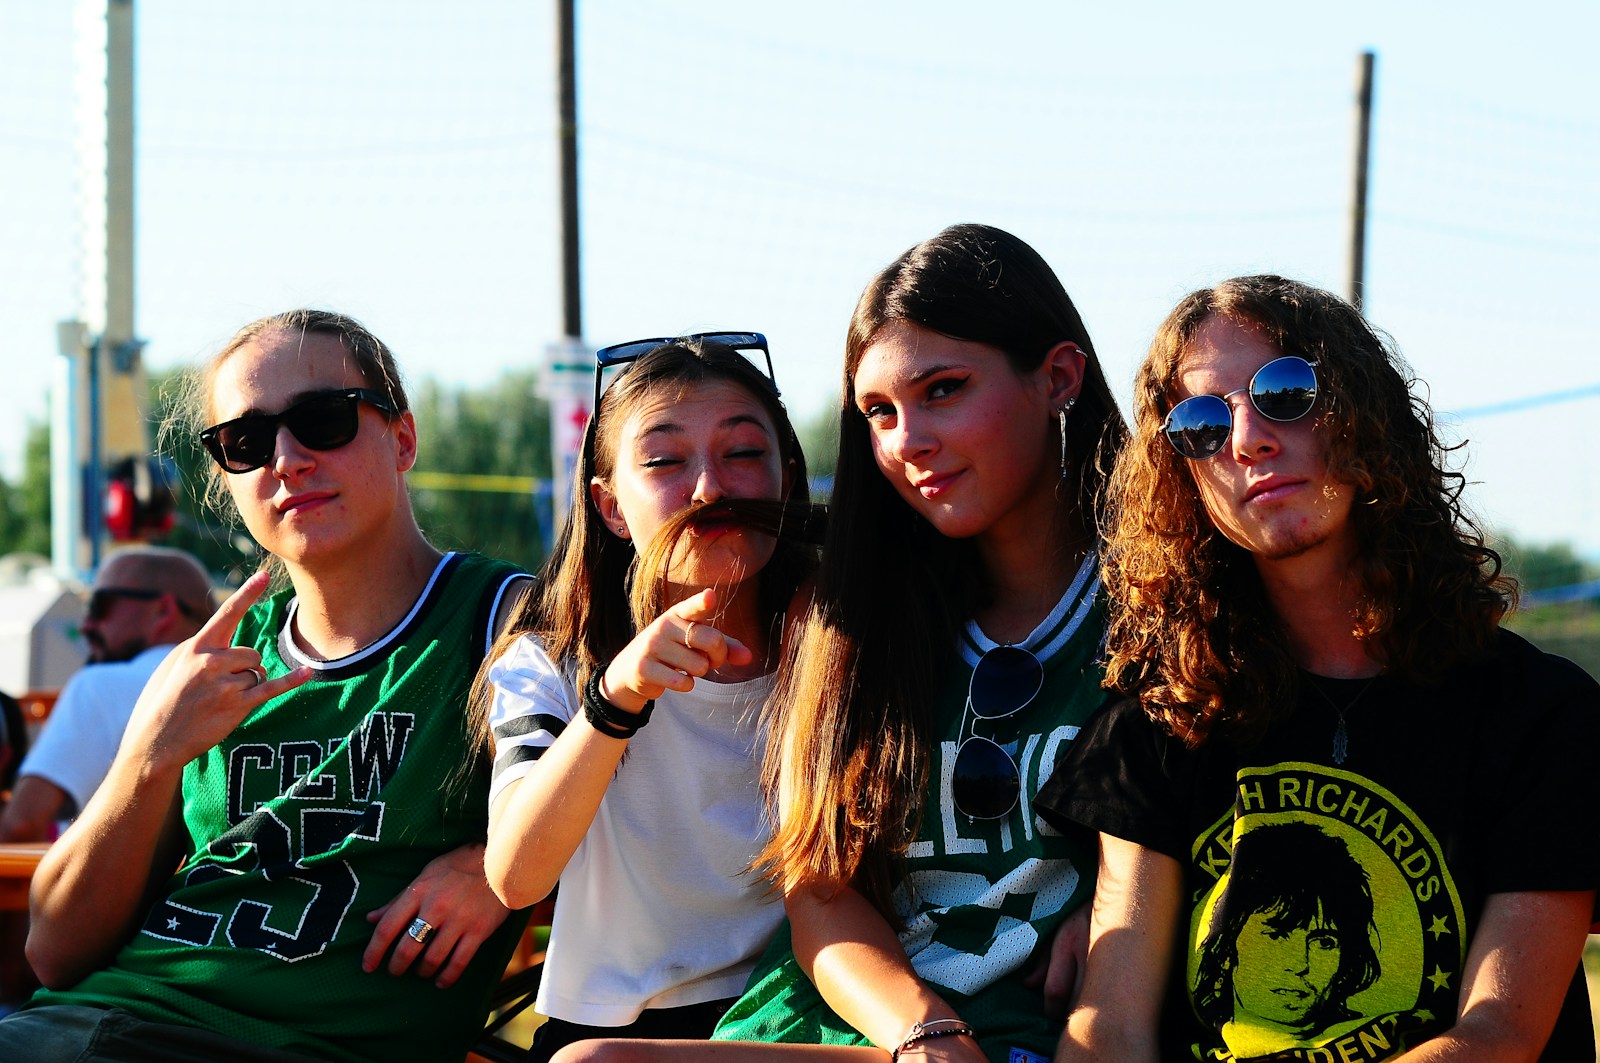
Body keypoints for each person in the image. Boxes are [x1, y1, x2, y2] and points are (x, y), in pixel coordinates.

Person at [558, 223, 1129, 1063]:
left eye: (944, 388)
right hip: (874, 1029)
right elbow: (820, 891)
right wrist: (924, 1030)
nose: (909, 440)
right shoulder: (847, 616)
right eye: (880, 412)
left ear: (1058, 376)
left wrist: (1117, 910)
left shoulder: (1155, 603)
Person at [1041, 275, 1600, 1062]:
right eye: (1199, 422)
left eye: (1285, 392)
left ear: (1364, 414)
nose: (1247, 441)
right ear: (1184, 480)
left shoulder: (1543, 714)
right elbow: (1111, 1029)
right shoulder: (1158, 718)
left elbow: (1497, 1035)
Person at [0, 310, 531, 1063]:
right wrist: (146, 759)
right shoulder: (215, 661)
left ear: (402, 437)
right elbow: (52, 951)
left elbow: (652, 783)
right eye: (244, 442)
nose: (286, 458)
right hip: (97, 1020)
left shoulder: (503, 621)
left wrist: (500, 863)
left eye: (323, 419)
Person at [478, 333, 816, 1058]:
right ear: (610, 507)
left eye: (743, 454)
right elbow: (514, 875)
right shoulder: (551, 663)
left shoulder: (839, 648)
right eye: (664, 460)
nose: (709, 488)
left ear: (787, 479)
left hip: (814, 1015)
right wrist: (615, 699)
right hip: (618, 1031)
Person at [0, 546, 215, 843]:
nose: (86, 625)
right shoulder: (246, 683)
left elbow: (21, 825)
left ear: (163, 610)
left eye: (100, 606)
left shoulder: (100, 686)